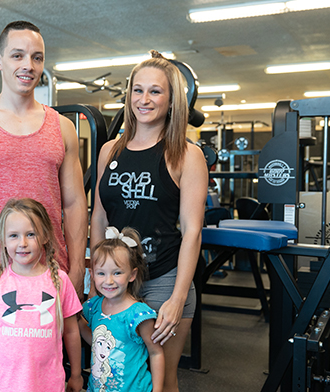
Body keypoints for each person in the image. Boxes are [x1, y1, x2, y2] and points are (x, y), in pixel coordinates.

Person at [0, 20, 87, 373]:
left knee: (50, 374)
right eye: (18, 55)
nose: (28, 66)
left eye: (37, 58)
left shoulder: (62, 127)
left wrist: (79, 269)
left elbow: (75, 203)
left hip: (50, 277)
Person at [89, 50, 208, 392]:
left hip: (162, 281)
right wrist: (96, 273)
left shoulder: (186, 154)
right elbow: (99, 214)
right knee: (114, 372)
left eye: (155, 91)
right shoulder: (110, 150)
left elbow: (192, 231)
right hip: (115, 278)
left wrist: (177, 297)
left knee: (158, 379)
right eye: (137, 90)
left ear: (171, 100)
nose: (144, 99)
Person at [0, 198, 83, 392]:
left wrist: (76, 374)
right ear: (3, 240)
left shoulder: (60, 281)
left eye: (31, 234)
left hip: (47, 385)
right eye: (14, 235)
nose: (22, 243)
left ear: (45, 236)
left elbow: (71, 332)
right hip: (2, 385)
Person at [80, 226, 165, 392]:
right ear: (91, 274)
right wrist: (74, 316)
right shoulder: (94, 306)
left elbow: (156, 353)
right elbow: (95, 340)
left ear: (132, 275)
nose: (109, 281)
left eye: (117, 273)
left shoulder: (139, 314)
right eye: (101, 273)